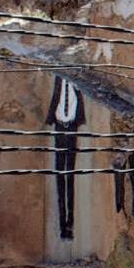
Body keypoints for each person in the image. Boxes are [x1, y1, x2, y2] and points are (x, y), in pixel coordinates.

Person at [45, 76, 85, 240]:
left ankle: (70, 224)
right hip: (60, 127)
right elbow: (56, 98)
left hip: (72, 128)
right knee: (60, 176)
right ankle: (63, 227)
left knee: (70, 175)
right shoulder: (58, 78)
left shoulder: (77, 81)